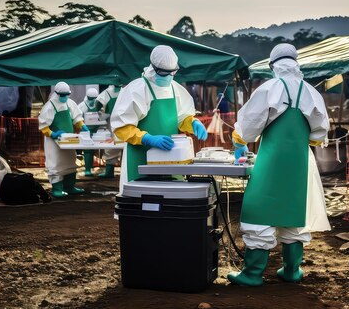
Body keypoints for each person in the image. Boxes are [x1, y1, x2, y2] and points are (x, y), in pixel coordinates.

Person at [227, 43, 330, 286]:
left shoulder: (270, 88)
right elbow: (318, 135)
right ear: (297, 64)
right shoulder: (311, 93)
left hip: (271, 162)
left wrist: (238, 140)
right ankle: (292, 271)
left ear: (273, 66)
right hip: (300, 163)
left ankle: (252, 274)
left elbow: (249, 128)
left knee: (258, 210)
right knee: (294, 212)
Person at [110, 45, 208, 185]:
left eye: (172, 72)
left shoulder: (176, 89)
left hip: (171, 158)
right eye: (164, 73)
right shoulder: (137, 89)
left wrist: (193, 123)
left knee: (171, 199)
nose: (168, 77)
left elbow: (182, 119)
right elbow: (122, 127)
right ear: (154, 67)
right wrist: (147, 138)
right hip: (140, 158)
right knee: (142, 199)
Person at [38, 81, 89, 197]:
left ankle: (70, 187)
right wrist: (53, 134)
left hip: (69, 141)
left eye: (67, 94)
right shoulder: (49, 106)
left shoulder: (70, 103)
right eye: (62, 95)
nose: (65, 97)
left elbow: (76, 118)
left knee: (70, 162)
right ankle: (57, 189)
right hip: (53, 142)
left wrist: (82, 125)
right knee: (55, 164)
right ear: (56, 93)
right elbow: (43, 126)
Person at [96, 84, 123, 177]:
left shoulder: (107, 92)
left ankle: (109, 172)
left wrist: (101, 114)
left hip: (113, 121)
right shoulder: (126, 89)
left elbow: (98, 103)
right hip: (126, 120)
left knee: (111, 145)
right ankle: (124, 171)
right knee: (124, 144)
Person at [78, 88, 100, 176]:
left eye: (94, 98)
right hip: (85, 131)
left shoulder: (99, 105)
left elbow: (102, 115)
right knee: (87, 150)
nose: (93, 100)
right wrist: (82, 127)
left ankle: (91, 168)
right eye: (91, 98)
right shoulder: (81, 106)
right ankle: (87, 170)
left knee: (94, 150)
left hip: (97, 131)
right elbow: (77, 119)